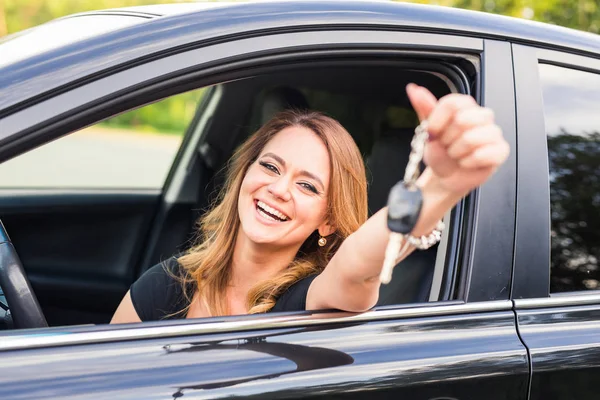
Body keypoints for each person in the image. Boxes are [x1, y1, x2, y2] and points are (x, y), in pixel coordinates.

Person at [111, 84, 509, 323]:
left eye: (308, 186)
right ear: (244, 175)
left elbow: (358, 265)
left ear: (328, 222)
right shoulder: (168, 283)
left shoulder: (314, 300)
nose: (279, 188)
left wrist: (440, 188)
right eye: (270, 166)